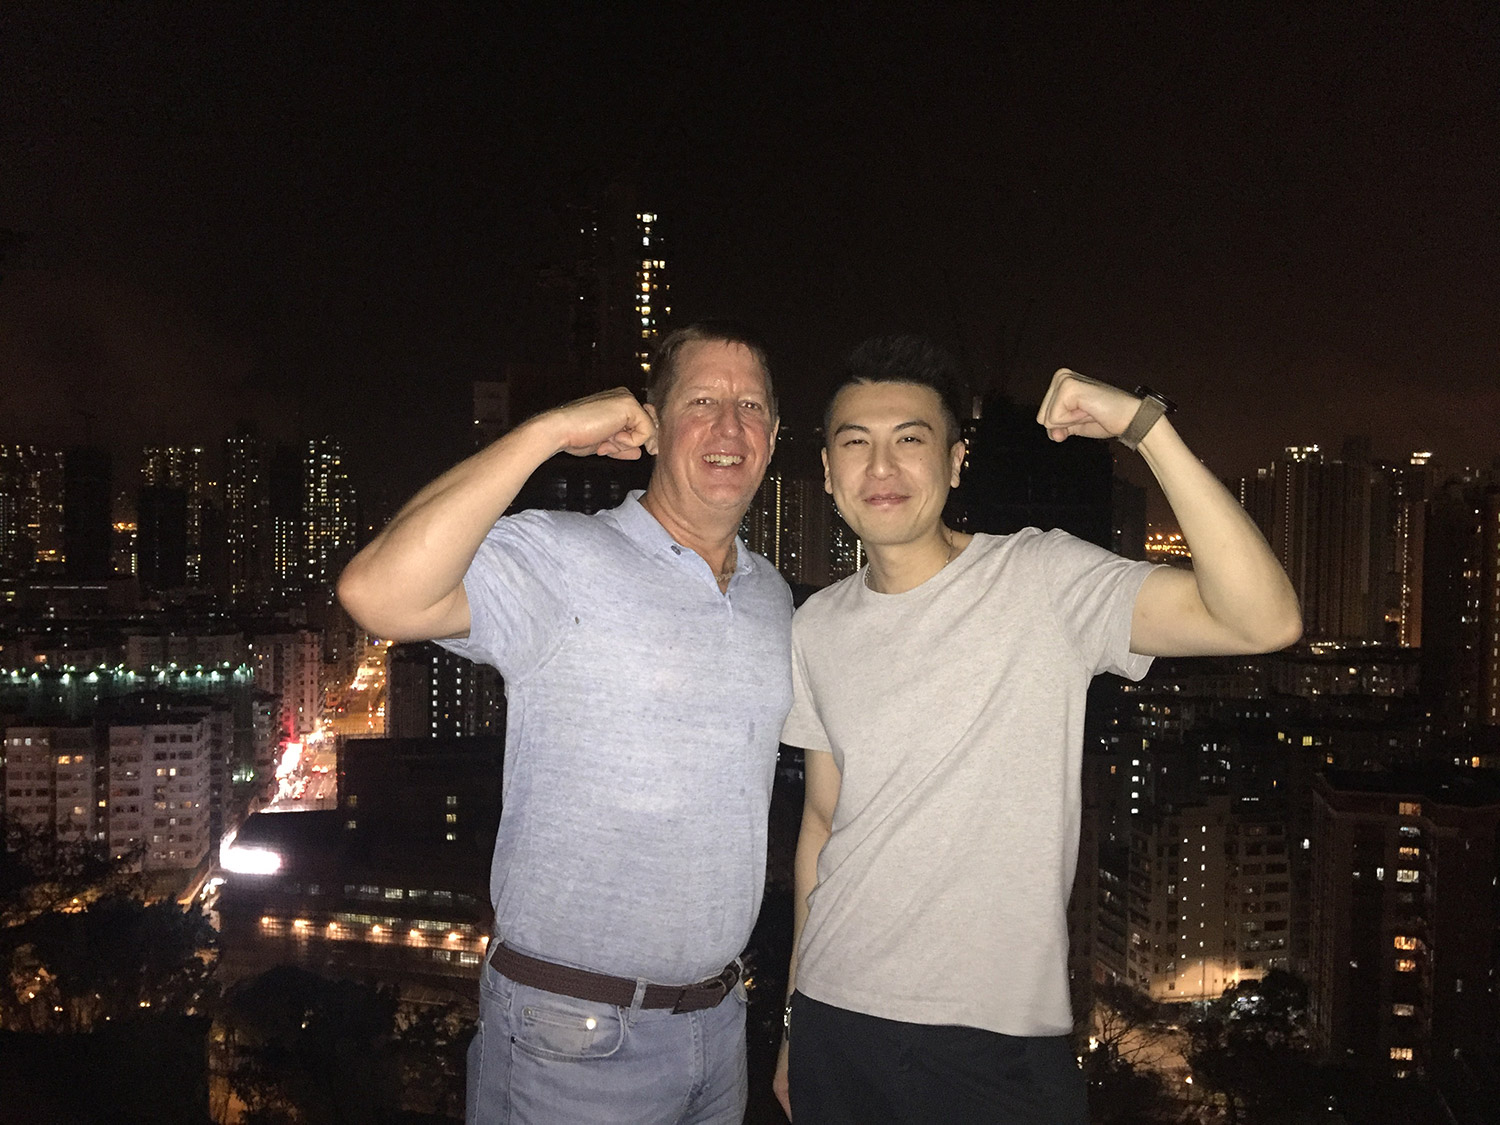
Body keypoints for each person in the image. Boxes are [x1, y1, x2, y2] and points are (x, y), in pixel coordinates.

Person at [772, 336, 1302, 1124]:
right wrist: (792, 1017)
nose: (881, 467)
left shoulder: (1040, 580)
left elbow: (1264, 618)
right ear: (826, 471)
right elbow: (821, 822)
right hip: (835, 1018)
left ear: (956, 461)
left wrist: (1145, 427)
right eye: (855, 443)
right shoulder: (815, 624)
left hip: (998, 1043)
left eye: (910, 439)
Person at [337, 321, 793, 1125]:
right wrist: (545, 432)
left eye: (750, 405)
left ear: (775, 435)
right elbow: (377, 592)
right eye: (701, 402)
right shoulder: (563, 557)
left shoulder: (772, 597)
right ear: (653, 426)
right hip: (572, 1039)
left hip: (720, 1029)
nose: (729, 425)